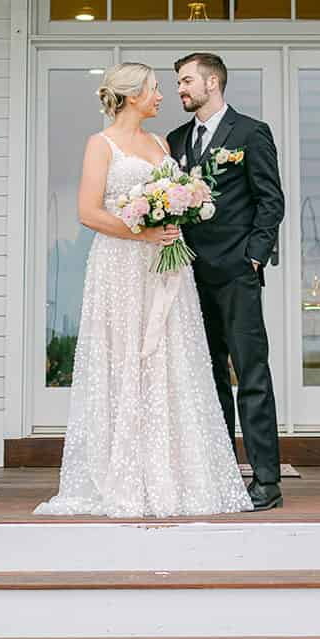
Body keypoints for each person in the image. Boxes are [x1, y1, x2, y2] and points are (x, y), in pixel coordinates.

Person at [35, 61, 252, 519]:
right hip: (121, 267)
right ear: (133, 96)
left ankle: (175, 472)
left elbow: (176, 196)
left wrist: (180, 211)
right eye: (155, 89)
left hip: (165, 266)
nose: (162, 96)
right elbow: (88, 213)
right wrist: (143, 234)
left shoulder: (160, 143)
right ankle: (125, 474)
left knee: (172, 362)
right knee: (126, 360)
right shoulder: (101, 145)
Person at [168, 52, 286, 511]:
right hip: (188, 275)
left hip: (236, 274)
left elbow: (270, 201)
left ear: (212, 82)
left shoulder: (250, 133)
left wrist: (254, 258)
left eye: (186, 81)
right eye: (178, 83)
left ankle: (267, 481)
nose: (180, 89)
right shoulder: (177, 139)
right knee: (210, 375)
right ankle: (219, 473)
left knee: (251, 374)